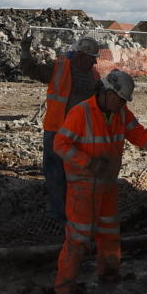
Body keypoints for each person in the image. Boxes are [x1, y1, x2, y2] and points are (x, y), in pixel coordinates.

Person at [52, 68, 147, 294]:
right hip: (83, 187)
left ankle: (108, 274)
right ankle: (65, 286)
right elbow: (60, 145)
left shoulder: (120, 112)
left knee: (109, 234)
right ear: (107, 93)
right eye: (120, 100)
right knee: (78, 237)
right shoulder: (82, 113)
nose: (122, 105)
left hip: (107, 185)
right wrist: (87, 162)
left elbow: (137, 132)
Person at [38, 34, 103, 228]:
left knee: (74, 175)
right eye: (92, 58)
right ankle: (59, 215)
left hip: (77, 135)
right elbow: (33, 70)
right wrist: (25, 52)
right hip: (56, 130)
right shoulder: (58, 68)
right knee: (55, 173)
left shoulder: (94, 77)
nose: (94, 62)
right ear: (81, 55)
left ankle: (74, 213)